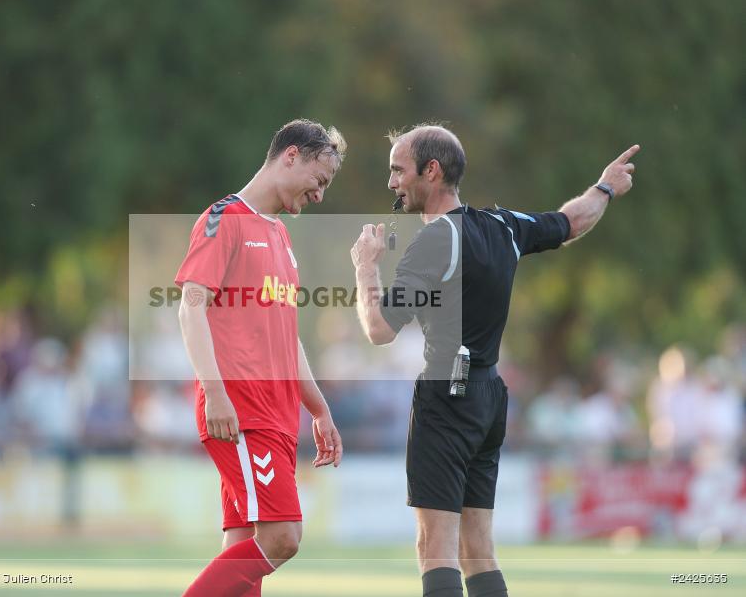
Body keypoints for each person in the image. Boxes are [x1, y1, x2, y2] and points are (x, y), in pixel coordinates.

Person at [350, 124, 638, 597]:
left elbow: (379, 329)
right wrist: (604, 187)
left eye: (398, 171)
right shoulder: (503, 226)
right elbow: (571, 222)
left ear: (432, 170)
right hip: (488, 397)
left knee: (435, 548)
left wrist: (365, 267)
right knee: (478, 549)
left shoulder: (436, 241)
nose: (392, 183)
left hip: (447, 397)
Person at [176, 119, 346, 596]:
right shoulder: (225, 218)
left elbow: (286, 340)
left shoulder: (280, 237)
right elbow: (191, 311)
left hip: (276, 413)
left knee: (245, 543)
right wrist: (216, 394)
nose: (320, 195)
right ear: (291, 156)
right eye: (320, 180)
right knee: (283, 537)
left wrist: (318, 408)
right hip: (241, 410)